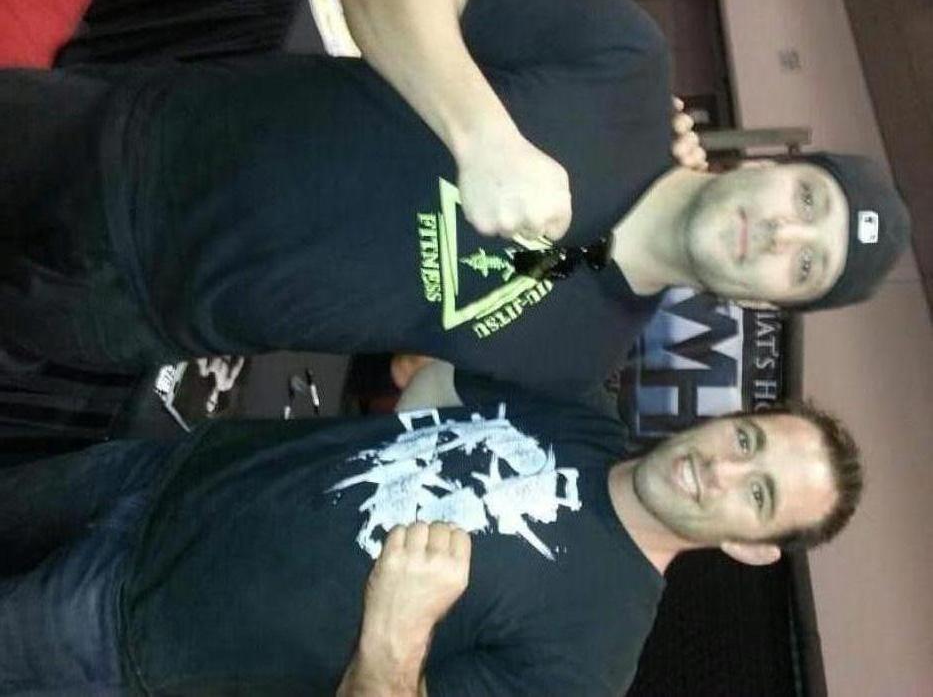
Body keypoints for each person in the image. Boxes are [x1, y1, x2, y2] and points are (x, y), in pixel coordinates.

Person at [0, 0, 909, 400]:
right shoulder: (625, 64)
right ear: (772, 167)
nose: (780, 232)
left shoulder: (578, 363)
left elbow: (422, 404)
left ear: (765, 303)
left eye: (805, 264)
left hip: (134, 323)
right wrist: (483, 137)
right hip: (131, 148)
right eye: (806, 199)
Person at [0, 367, 862, 695]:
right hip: (168, 473)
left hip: (125, 635)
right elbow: (440, 360)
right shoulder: (577, 405)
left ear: (751, 547)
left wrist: (396, 630)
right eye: (746, 441)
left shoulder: (591, 658)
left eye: (757, 495)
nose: (721, 468)